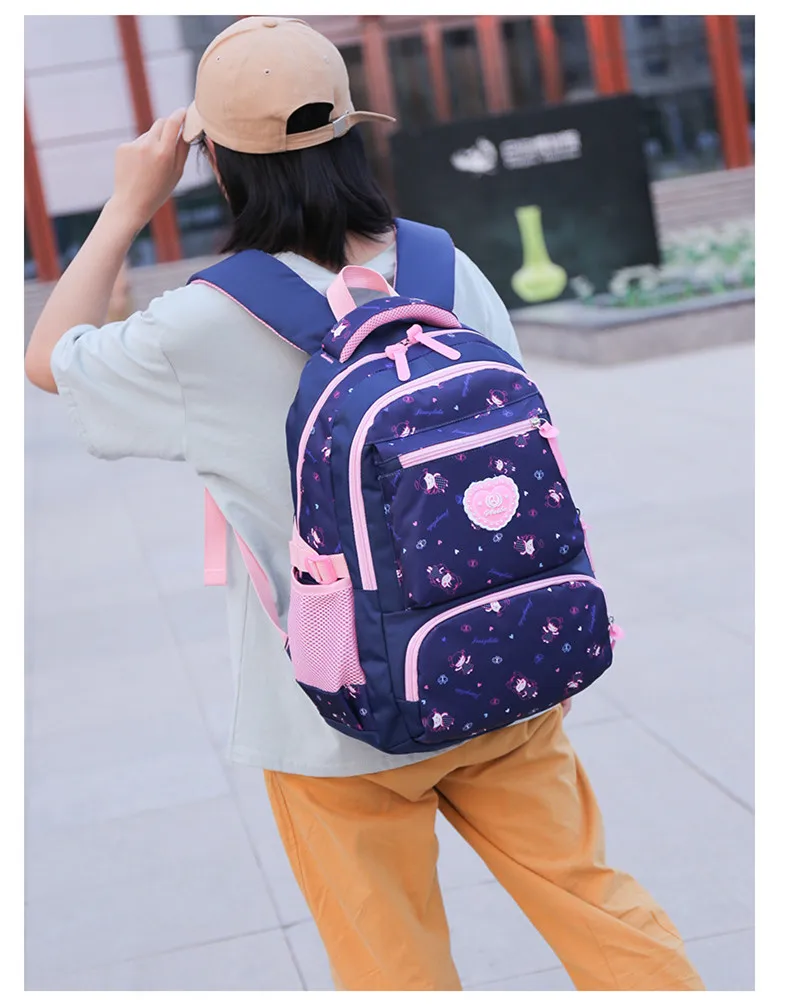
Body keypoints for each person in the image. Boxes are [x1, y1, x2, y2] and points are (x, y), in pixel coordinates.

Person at [24, 16, 705, 993]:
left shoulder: (200, 324)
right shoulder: (443, 266)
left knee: (391, 967)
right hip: (497, 664)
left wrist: (129, 204)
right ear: (353, 132)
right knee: (599, 908)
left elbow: (49, 359)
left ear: (218, 162)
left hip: (329, 718)